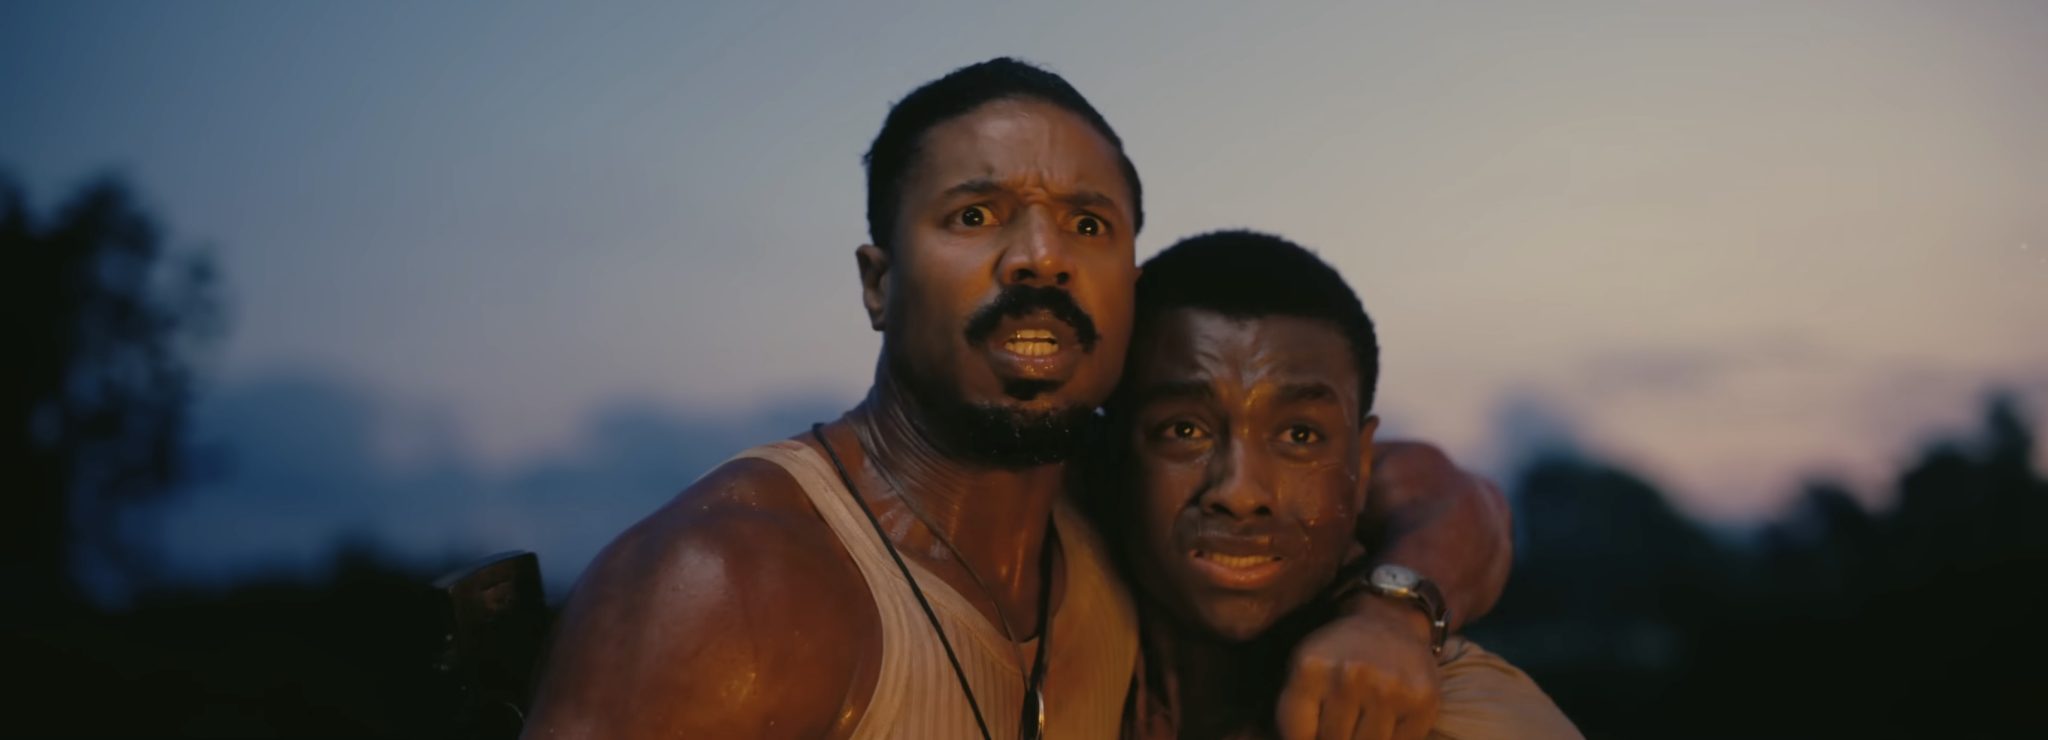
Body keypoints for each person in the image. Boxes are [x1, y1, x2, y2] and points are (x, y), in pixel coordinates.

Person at [522, 58, 1511, 739]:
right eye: (975, 214)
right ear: (877, 283)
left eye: (1087, 224)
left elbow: (1448, 496)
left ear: (1128, 289)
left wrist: (1394, 611)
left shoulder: (1120, 492)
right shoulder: (731, 588)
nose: (1041, 256)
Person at [1105, 231, 1580, 740]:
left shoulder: (1465, 718)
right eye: (1184, 431)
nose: (1241, 493)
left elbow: (1461, 499)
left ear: (1362, 464)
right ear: (1106, 446)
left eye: (1299, 435)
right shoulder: (1059, 581)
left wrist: (1390, 617)